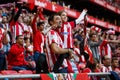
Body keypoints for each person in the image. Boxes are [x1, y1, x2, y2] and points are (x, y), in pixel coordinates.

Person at [31, 9, 48, 73]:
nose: (43, 26)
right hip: (37, 53)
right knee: (39, 69)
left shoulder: (43, 34)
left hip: (42, 53)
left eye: (43, 25)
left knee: (43, 69)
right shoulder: (36, 32)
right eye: (41, 25)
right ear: (38, 26)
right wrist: (37, 15)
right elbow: (33, 23)